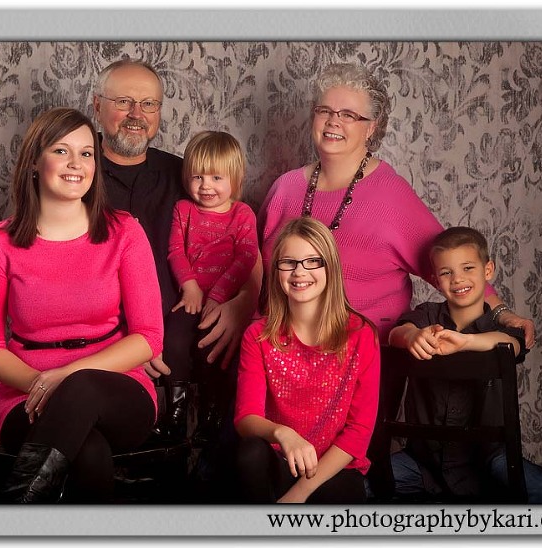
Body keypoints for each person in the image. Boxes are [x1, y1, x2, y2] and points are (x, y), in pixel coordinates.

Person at [258, 62, 536, 346]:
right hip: (279, 353)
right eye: (324, 111)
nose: (333, 121)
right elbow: (252, 270)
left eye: (348, 115)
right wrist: (238, 307)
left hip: (365, 357)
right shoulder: (285, 188)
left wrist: (501, 313)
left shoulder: (390, 195)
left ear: (371, 127)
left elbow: (452, 262)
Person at [0, 107, 164, 503]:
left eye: (86, 153)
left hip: (117, 388)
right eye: (61, 151)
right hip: (26, 395)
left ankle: (9, 518)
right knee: (88, 453)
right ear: (34, 162)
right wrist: (42, 385)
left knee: (83, 386)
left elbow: (148, 337)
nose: (77, 163)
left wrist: (66, 377)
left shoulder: (124, 232)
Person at [93, 60, 262, 439]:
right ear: (97, 105)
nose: (136, 114)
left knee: (192, 443)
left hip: (183, 329)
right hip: (107, 344)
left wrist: (242, 304)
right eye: (124, 102)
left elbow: (243, 243)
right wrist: (131, 344)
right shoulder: (79, 175)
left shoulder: (185, 175)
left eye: (148, 104)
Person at [386, 226, 542, 503]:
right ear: (436, 281)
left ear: (488, 271)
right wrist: (411, 336)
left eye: (467, 268)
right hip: (424, 461)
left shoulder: (502, 327)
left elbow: (511, 344)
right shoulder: (427, 316)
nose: (457, 279)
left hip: (487, 459)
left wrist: (466, 342)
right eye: (446, 273)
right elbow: (395, 333)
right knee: (355, 487)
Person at [234, 217, 380, 503]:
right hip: (280, 459)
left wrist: (297, 495)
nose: (299, 272)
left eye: (313, 261)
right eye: (289, 262)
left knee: (341, 497)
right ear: (276, 271)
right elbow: (245, 418)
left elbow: (359, 430)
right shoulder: (258, 336)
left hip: (333, 467)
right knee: (249, 454)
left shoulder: (361, 335)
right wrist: (282, 433)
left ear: (330, 267)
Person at [159, 130, 259, 442]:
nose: (206, 186)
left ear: (235, 178)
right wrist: (189, 286)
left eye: (216, 177)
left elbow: (246, 258)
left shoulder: (242, 214)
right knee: (173, 342)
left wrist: (217, 296)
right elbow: (175, 250)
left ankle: (211, 411)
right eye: (198, 177)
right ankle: (176, 408)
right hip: (189, 298)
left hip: (223, 303)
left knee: (211, 353)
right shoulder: (183, 210)